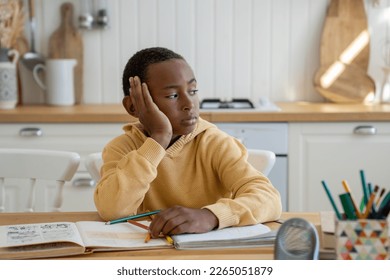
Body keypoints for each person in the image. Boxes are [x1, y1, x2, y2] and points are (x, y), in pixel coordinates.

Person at [94, 47, 282, 238]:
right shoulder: (122, 148)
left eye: (193, 91)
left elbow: (269, 199)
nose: (189, 103)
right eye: (173, 96)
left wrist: (210, 216)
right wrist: (158, 138)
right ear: (133, 106)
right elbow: (112, 210)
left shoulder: (215, 143)